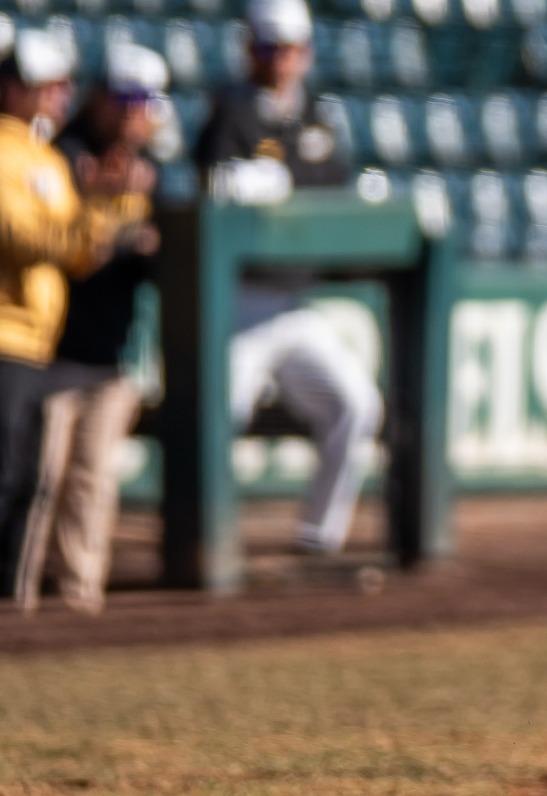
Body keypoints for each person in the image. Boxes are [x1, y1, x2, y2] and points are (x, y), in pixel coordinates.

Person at [194, 0, 382, 556]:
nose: (281, 61)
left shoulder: (315, 114)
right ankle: (207, 535)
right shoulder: (229, 111)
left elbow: (331, 183)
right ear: (250, 48)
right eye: (271, 48)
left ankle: (317, 538)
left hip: (293, 302)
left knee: (358, 403)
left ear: (307, 52)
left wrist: (288, 185)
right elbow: (213, 183)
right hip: (239, 299)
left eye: (291, 49)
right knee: (219, 410)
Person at [15, 43, 168, 615]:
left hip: (112, 352)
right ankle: (19, 600)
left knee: (91, 484)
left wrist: (135, 230)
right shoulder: (62, 155)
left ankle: (81, 606)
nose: (133, 112)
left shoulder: (154, 170)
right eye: (124, 98)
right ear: (101, 96)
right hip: (51, 349)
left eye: (145, 101)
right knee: (37, 481)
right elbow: (67, 249)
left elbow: (160, 253)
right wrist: (109, 216)